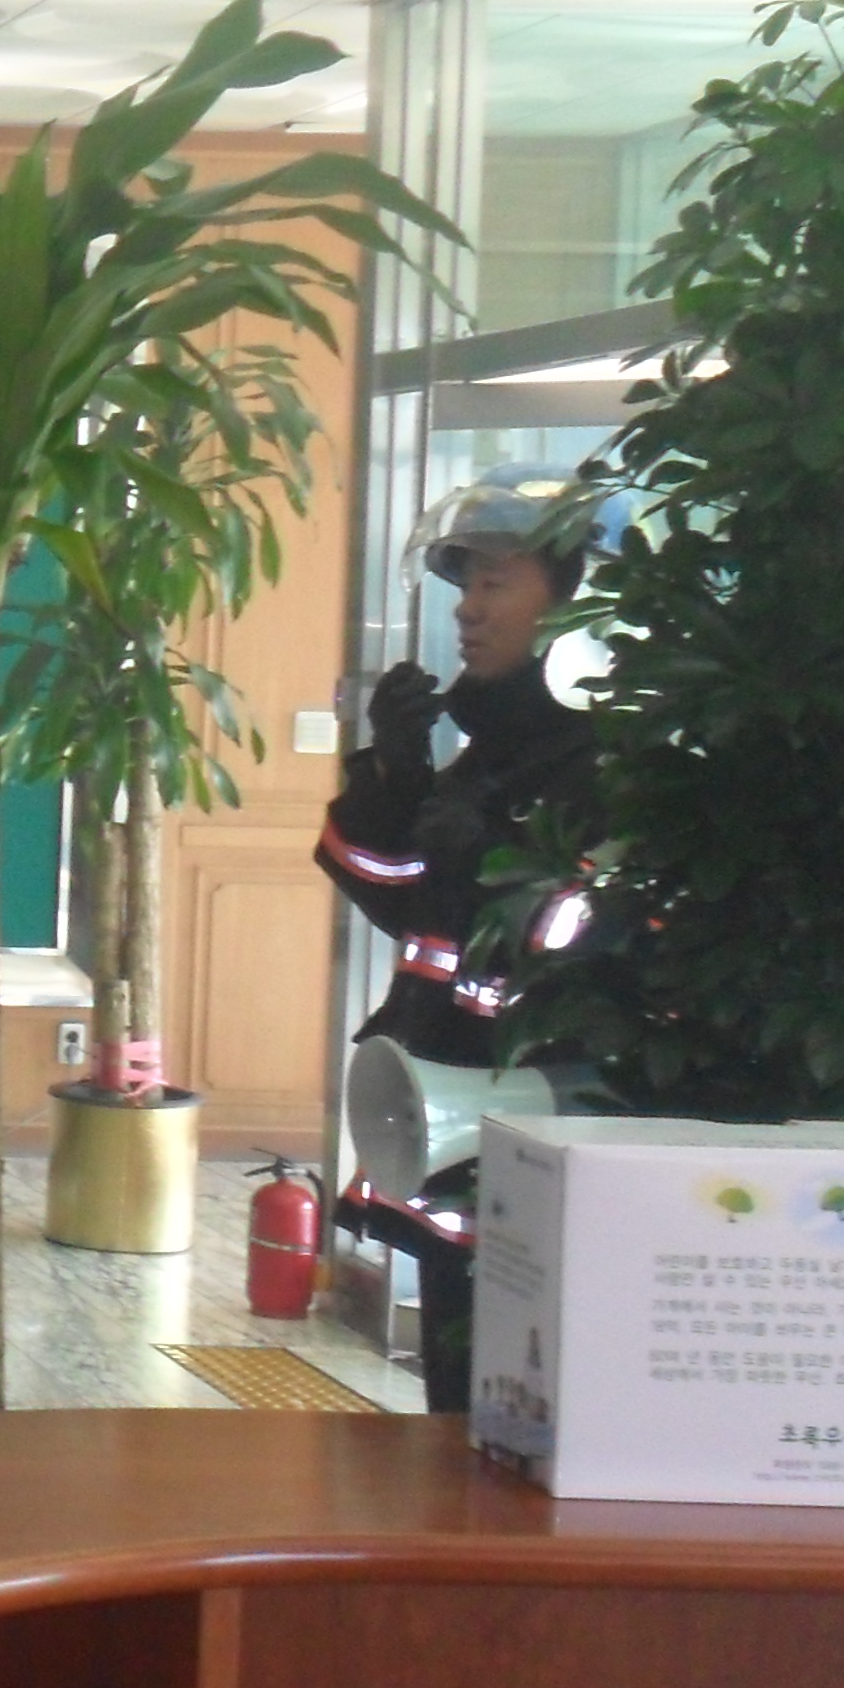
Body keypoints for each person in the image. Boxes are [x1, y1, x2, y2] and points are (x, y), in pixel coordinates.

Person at [318, 469, 603, 1415]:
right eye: (465, 585)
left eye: (495, 584)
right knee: (455, 1405)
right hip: (448, 1128)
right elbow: (398, 900)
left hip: (541, 1129)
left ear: (573, 606)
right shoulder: (489, 754)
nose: (467, 611)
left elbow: (597, 945)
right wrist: (396, 777)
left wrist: (494, 867)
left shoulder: (608, 766)